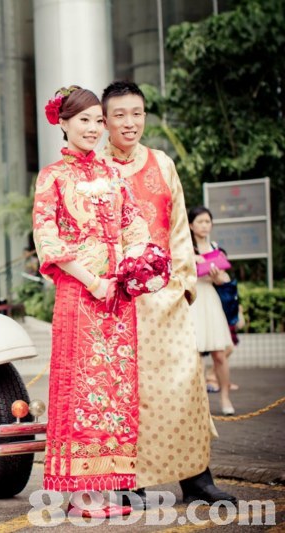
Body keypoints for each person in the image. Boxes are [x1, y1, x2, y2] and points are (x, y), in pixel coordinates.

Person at [100, 80, 236, 505]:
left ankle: (196, 479)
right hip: (117, 303)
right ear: (104, 121)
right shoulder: (93, 169)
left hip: (167, 301)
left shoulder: (162, 163)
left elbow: (178, 228)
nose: (129, 122)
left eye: (136, 113)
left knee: (183, 388)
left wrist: (181, 287)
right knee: (124, 393)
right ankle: (128, 481)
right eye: (119, 114)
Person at [33, 85, 158, 517]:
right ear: (63, 123)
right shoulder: (53, 176)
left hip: (118, 296)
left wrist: (139, 266)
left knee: (116, 391)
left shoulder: (113, 173)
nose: (93, 128)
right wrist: (92, 280)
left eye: (97, 121)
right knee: (82, 388)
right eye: (83, 120)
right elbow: (47, 239)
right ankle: (78, 493)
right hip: (80, 295)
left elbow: (135, 224)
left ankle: (105, 489)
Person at [188, 206, 235, 416]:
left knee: (219, 354)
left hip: (211, 299)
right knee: (194, 354)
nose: (205, 225)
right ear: (190, 225)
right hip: (192, 301)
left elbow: (224, 279)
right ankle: (198, 402)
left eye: (208, 221)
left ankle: (225, 397)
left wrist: (217, 277)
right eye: (200, 221)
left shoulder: (217, 248)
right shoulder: (185, 248)